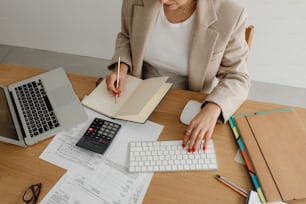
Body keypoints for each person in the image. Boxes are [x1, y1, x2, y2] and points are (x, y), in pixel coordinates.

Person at [105, 0, 250, 152]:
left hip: (189, 102)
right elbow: (126, 36)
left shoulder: (231, 14)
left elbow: (237, 76)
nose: (163, 1)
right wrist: (121, 67)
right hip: (139, 94)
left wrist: (213, 109)